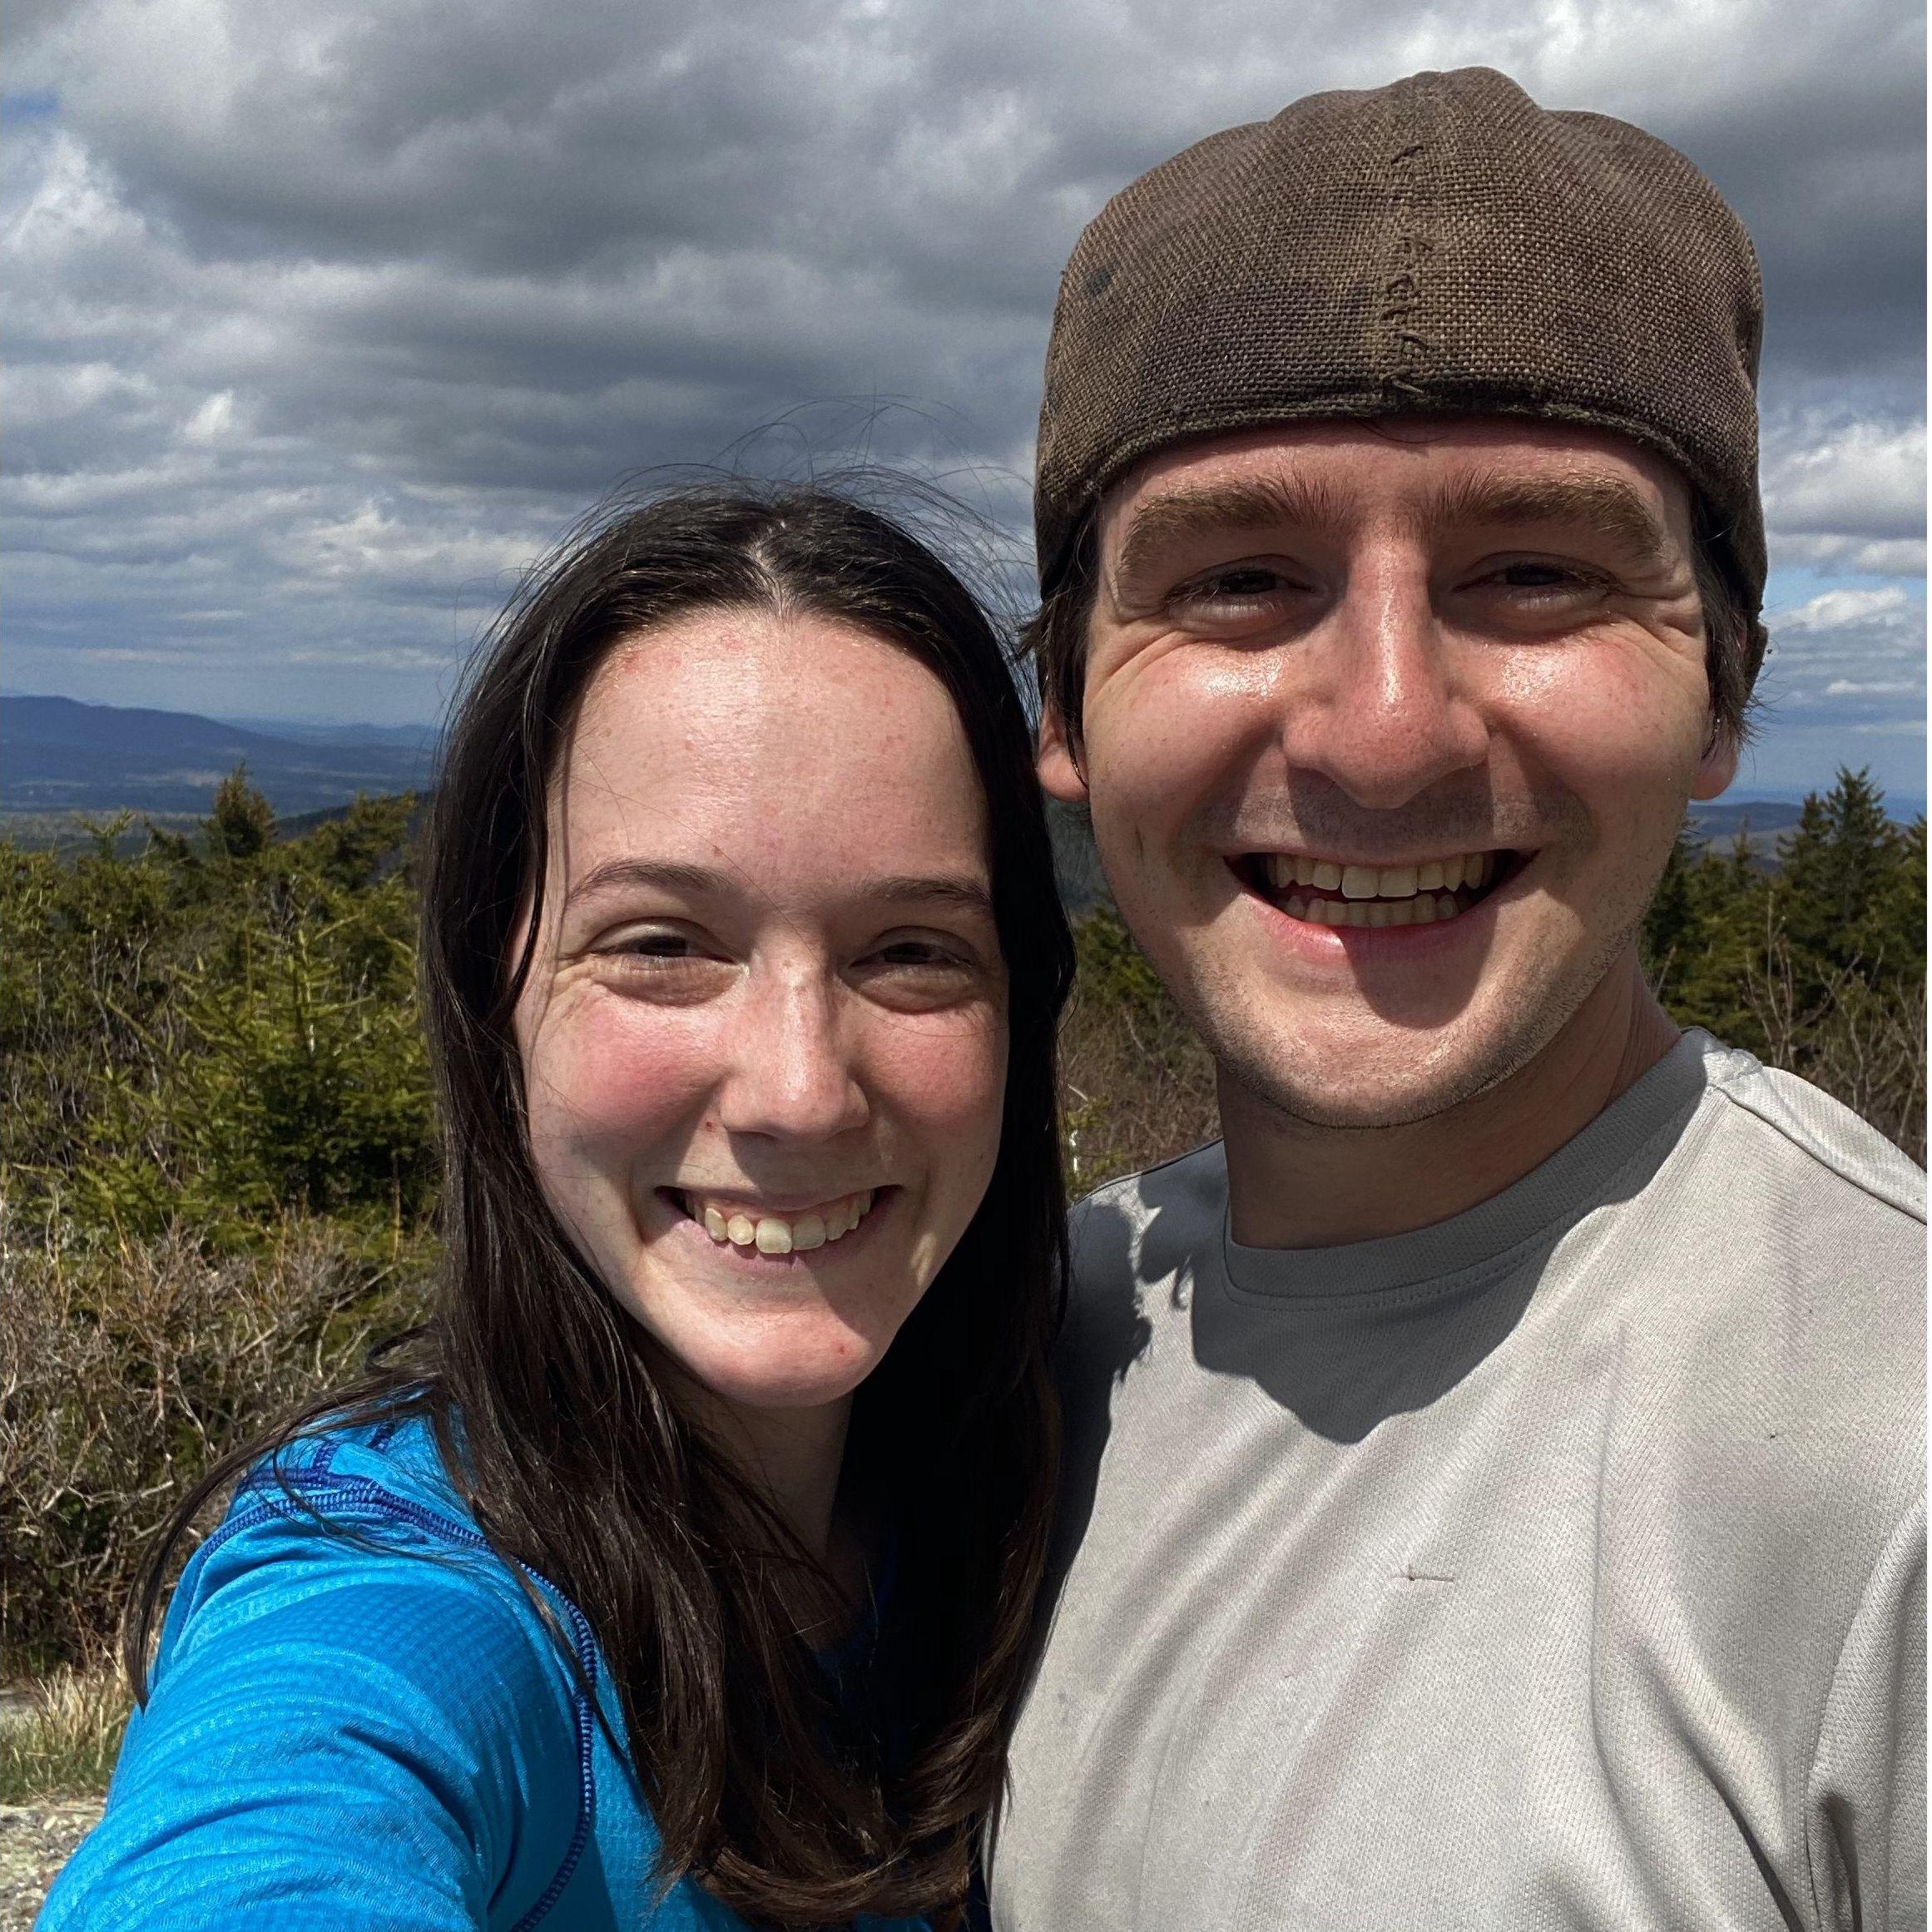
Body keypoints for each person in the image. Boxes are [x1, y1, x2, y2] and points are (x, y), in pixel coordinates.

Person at [988, 67, 1925, 1931]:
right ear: (1071, 717)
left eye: (1536, 574)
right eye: (1242, 579)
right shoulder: (1004, 1345)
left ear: (1721, 696)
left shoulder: (1893, 1460)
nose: (1389, 730)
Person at [44, 482, 1075, 1931]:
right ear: (494, 1005)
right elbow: (268, 1820)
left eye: (911, 951)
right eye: (660, 944)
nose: (798, 1090)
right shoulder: (402, 1586)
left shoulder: (1020, 1472)